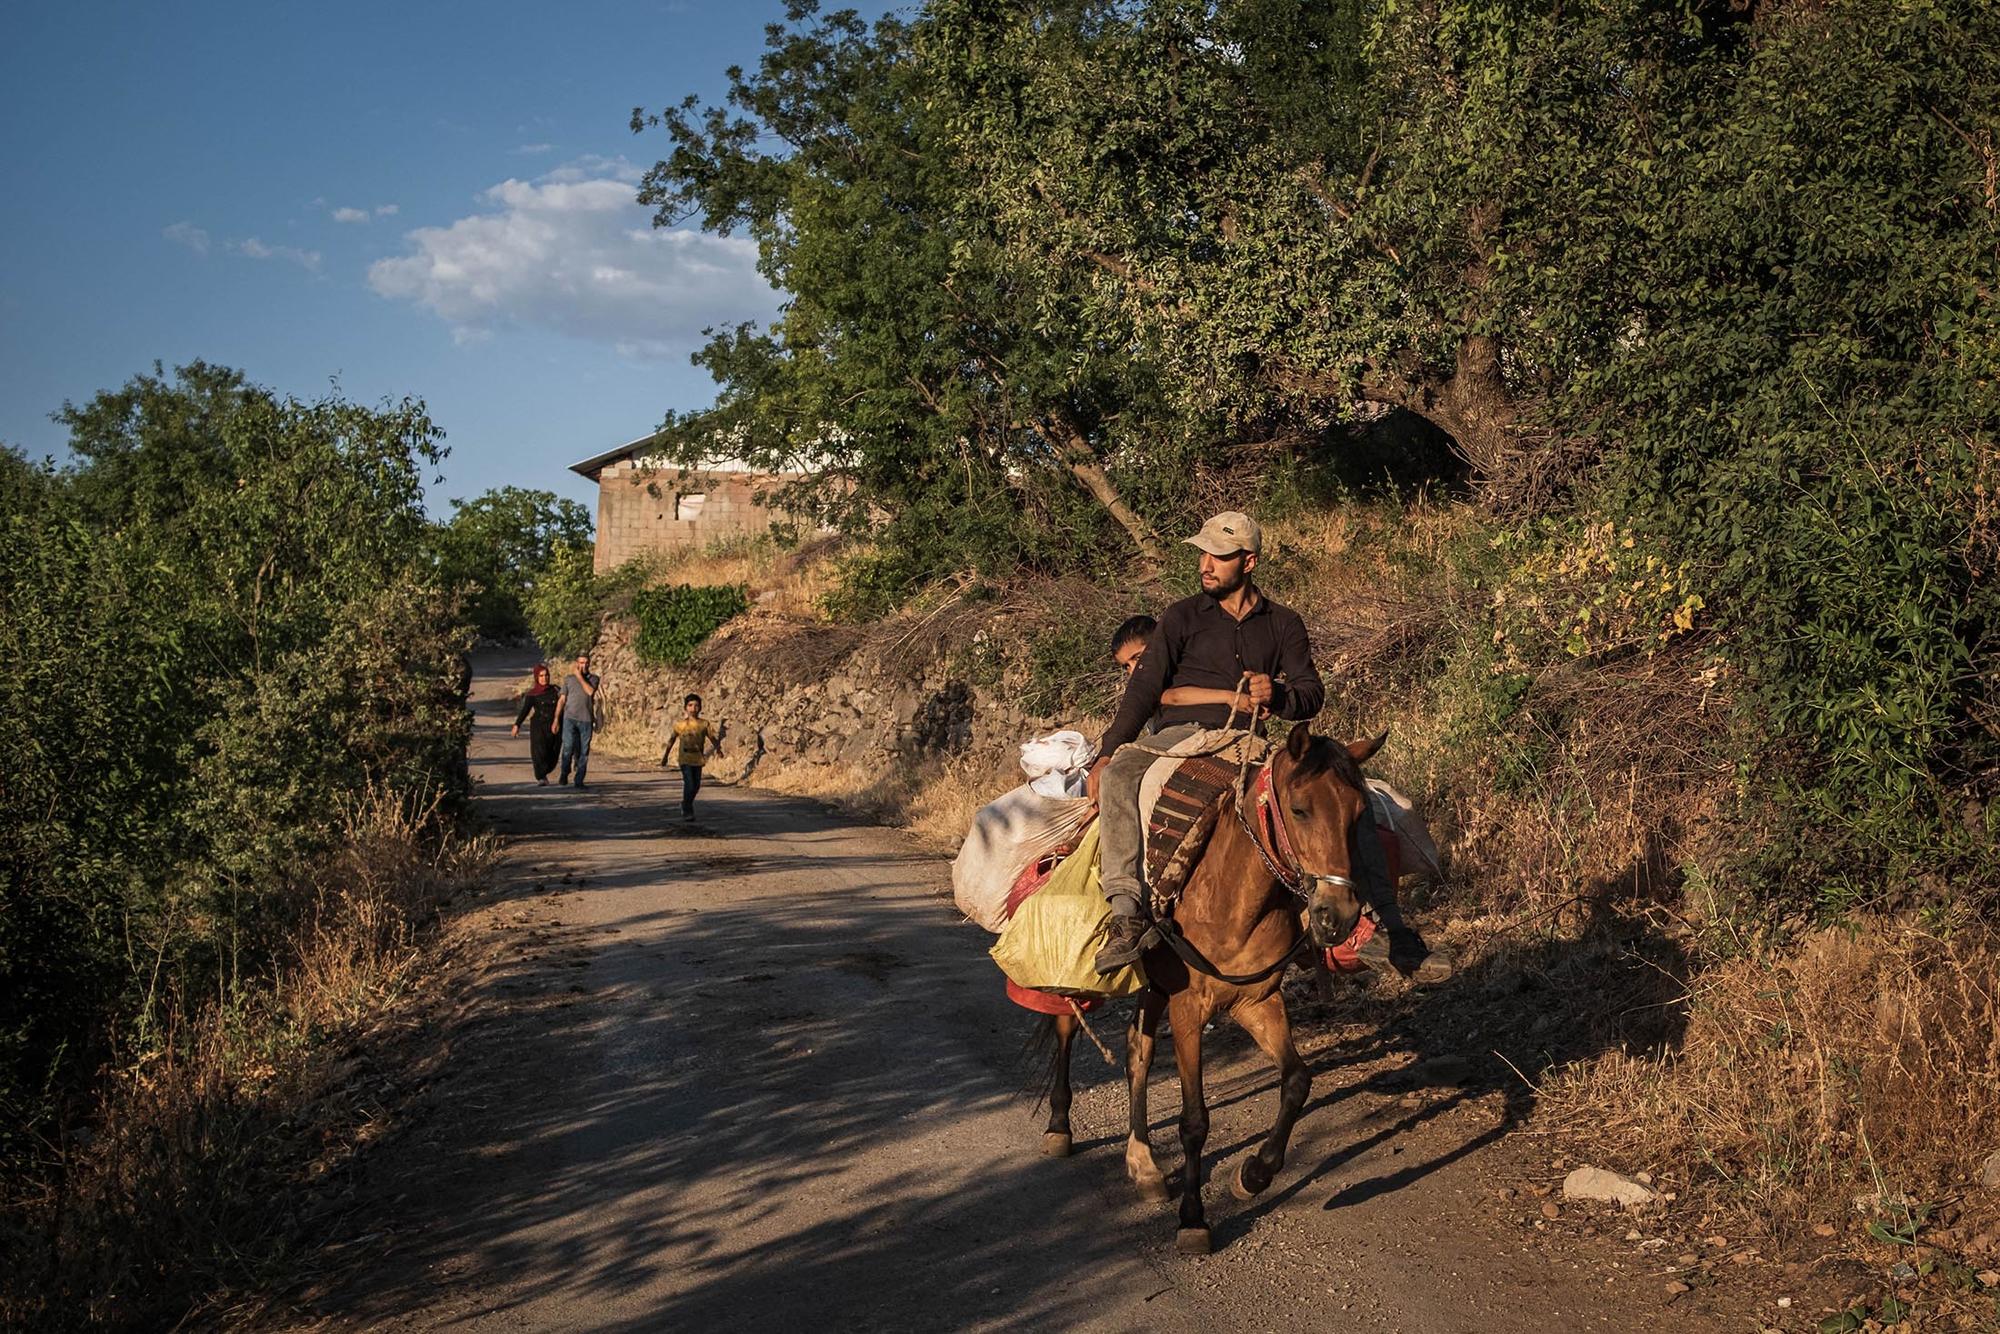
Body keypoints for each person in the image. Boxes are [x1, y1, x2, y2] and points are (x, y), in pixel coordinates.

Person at [1087, 511, 1445, 982]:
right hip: (1180, 736)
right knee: (1117, 776)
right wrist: (1110, 750)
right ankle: (1127, 913)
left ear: (1249, 561)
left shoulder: (1284, 624)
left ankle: (1389, 928)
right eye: (1204, 553)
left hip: (1250, 741)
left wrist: (1276, 695)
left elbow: (1310, 693)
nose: (1206, 564)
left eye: (1219, 555)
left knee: (1342, 792)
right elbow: (1144, 690)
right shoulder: (1180, 617)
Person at [667, 693, 721, 818]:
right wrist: (665, 756)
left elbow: (711, 738)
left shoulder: (704, 724)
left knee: (696, 786)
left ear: (700, 708)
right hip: (685, 758)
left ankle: (685, 803)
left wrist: (718, 749)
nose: (693, 708)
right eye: (690, 705)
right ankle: (687, 810)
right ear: (685, 708)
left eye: (696, 705)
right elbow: (672, 740)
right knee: (689, 784)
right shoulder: (680, 725)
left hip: (698, 758)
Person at [552, 650, 600, 788]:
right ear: (576, 663)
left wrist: (579, 676)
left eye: (586, 663)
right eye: (581, 663)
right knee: (568, 747)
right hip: (569, 718)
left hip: (586, 720)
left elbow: (590, 691)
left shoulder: (593, 679)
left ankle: (579, 780)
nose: (583, 665)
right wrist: (556, 719)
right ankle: (564, 773)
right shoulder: (568, 679)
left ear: (589, 664)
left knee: (583, 752)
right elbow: (562, 700)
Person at [510, 663, 561, 784]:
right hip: (539, 726)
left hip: (554, 725)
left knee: (553, 752)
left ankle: (546, 771)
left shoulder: (555, 690)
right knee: (539, 752)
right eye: (541, 676)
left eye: (546, 675)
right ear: (537, 678)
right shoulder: (533, 694)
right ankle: (541, 776)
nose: (544, 678)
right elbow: (525, 710)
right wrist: (517, 725)